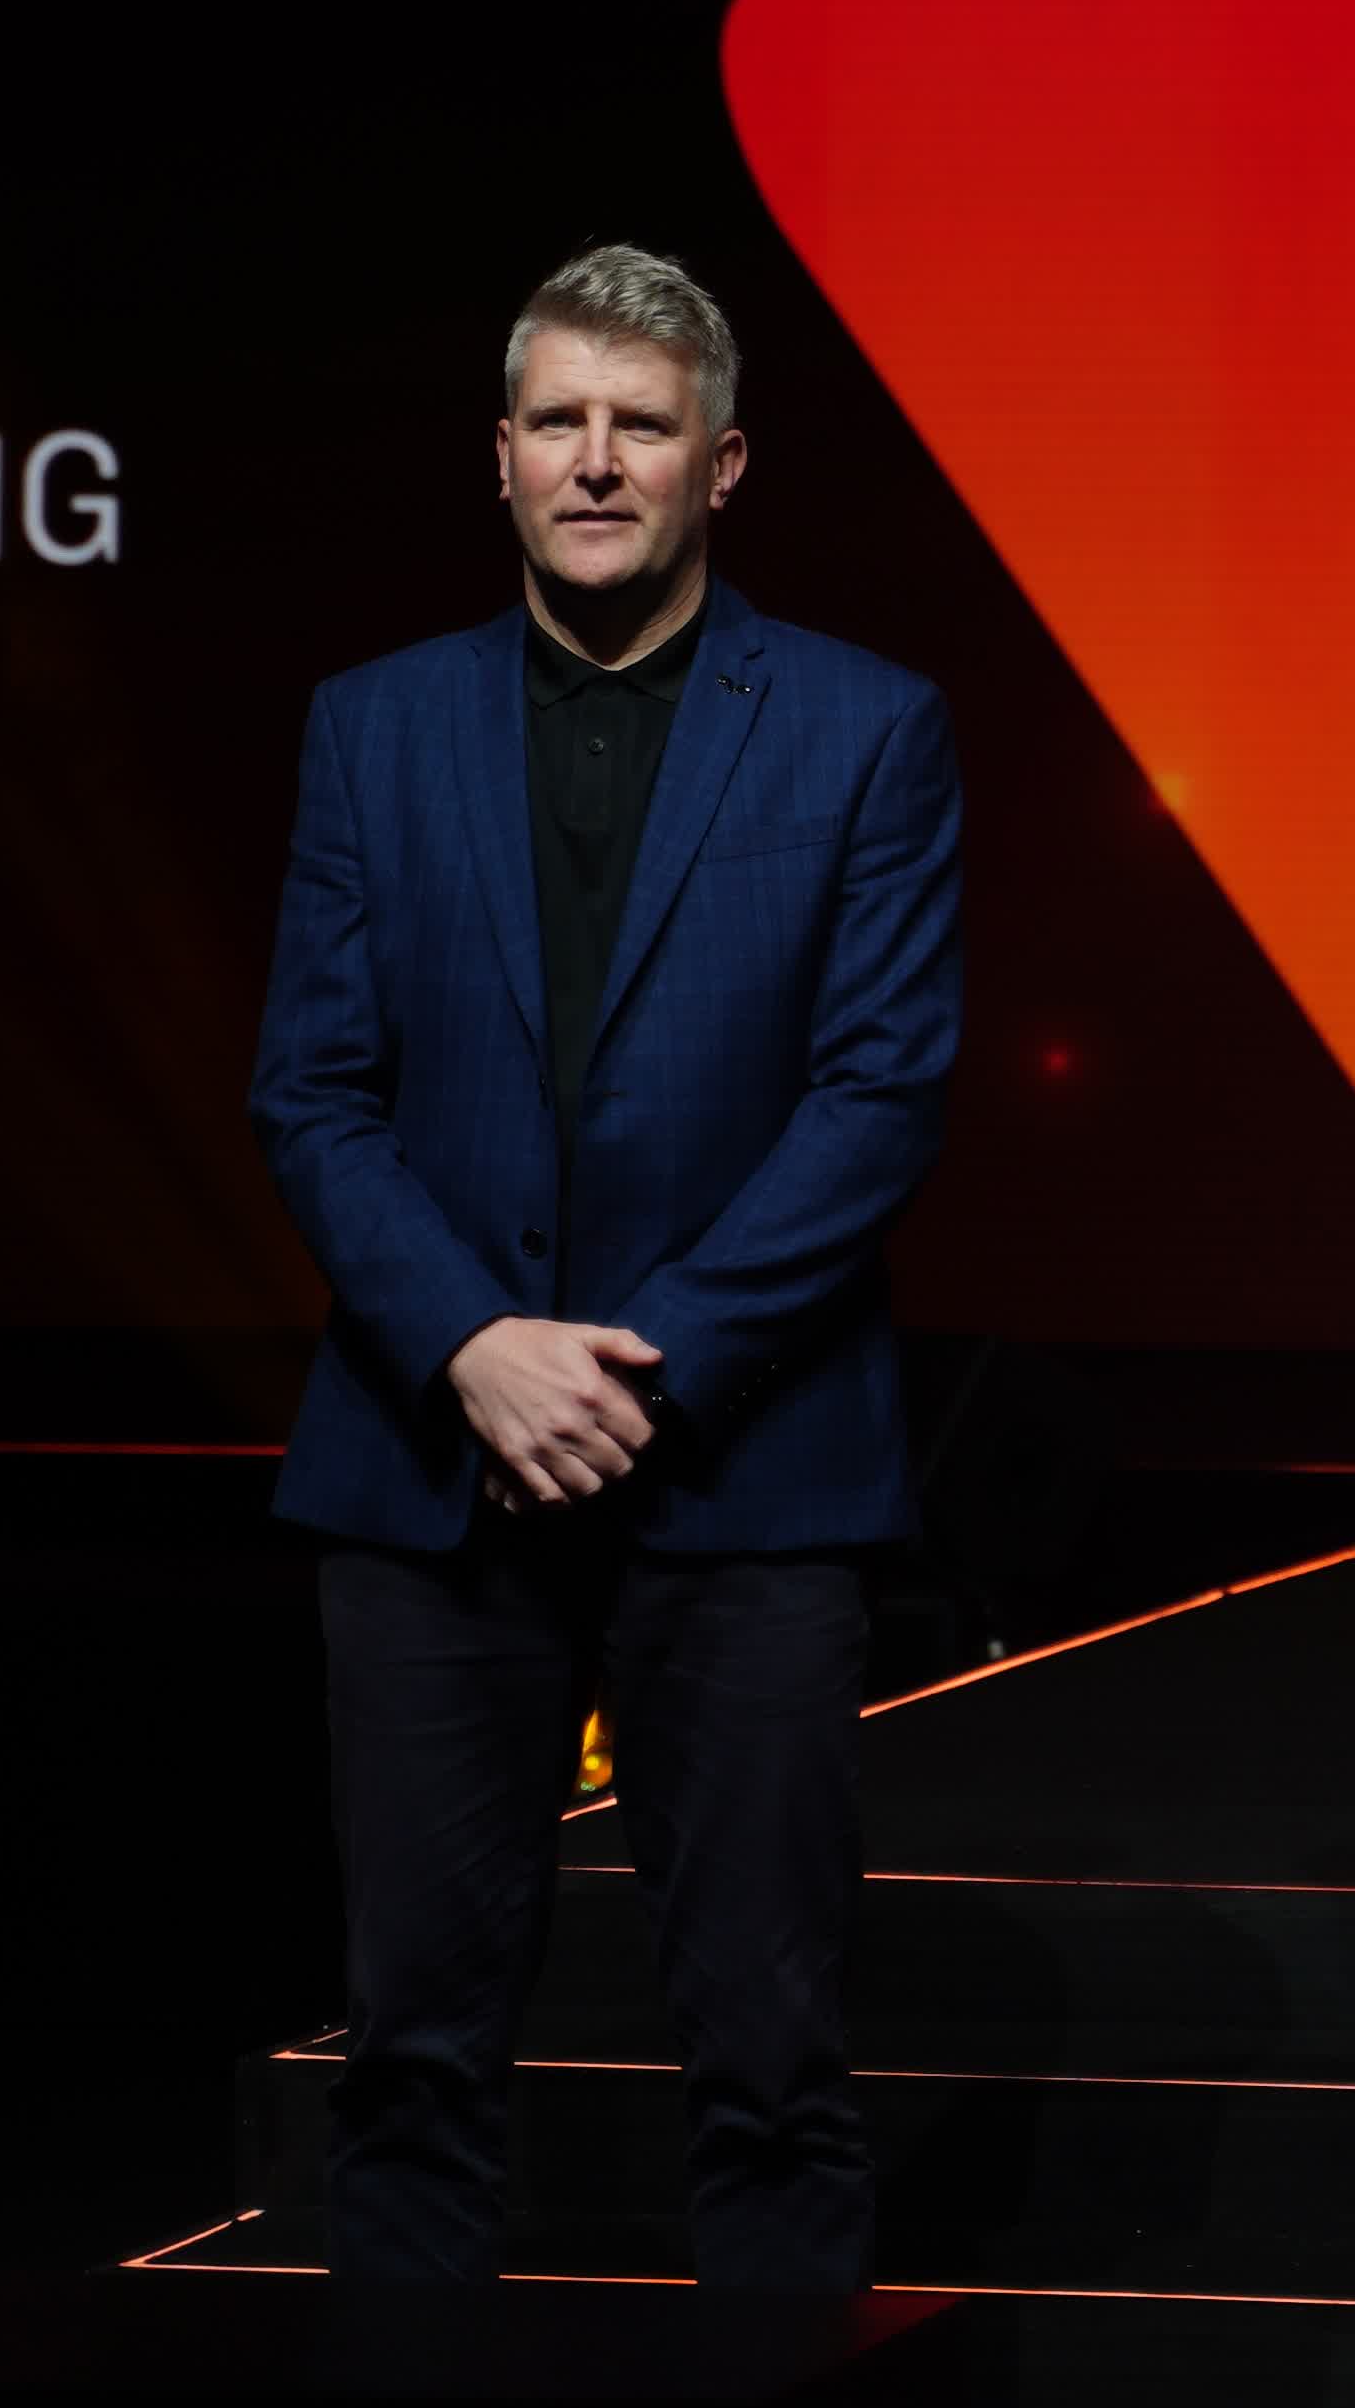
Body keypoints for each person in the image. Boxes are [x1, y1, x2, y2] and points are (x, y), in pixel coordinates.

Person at [250, 241, 962, 2287]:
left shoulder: (867, 726)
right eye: (556, 419)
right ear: (497, 454)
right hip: (430, 1466)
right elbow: (312, 1091)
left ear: (718, 463)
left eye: (638, 425)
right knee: (409, 2060)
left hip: (745, 1471)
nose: (592, 459)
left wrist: (635, 1365)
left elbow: (880, 1094)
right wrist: (474, 1340)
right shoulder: (372, 724)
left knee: (773, 2070)